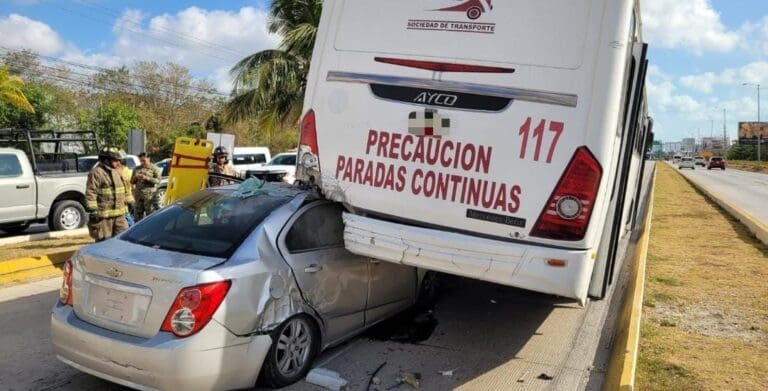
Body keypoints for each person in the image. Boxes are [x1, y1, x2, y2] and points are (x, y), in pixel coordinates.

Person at [85, 146, 134, 242]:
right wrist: (93, 209)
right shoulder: (97, 173)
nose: (118, 162)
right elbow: (91, 192)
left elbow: (125, 188)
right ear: (107, 160)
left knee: (123, 240)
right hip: (104, 217)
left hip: (120, 215)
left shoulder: (118, 171)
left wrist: (130, 201)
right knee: (105, 242)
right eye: (116, 160)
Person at [131, 152, 161, 221]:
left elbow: (158, 181)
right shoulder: (136, 169)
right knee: (137, 218)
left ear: (148, 159)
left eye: (143, 160)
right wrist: (135, 178)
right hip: (139, 197)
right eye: (140, 161)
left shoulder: (154, 168)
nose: (142, 162)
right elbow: (131, 181)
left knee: (150, 218)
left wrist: (146, 178)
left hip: (149, 197)